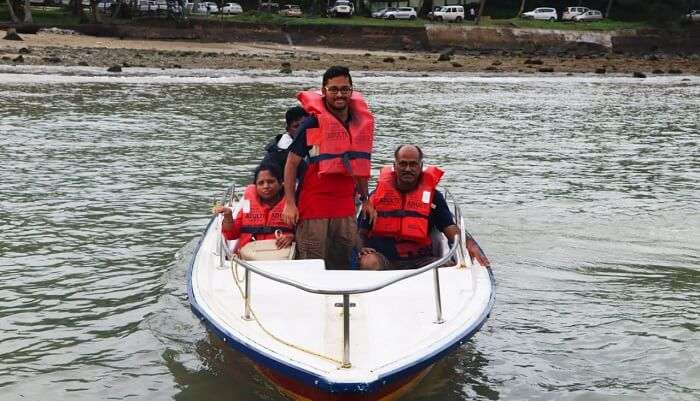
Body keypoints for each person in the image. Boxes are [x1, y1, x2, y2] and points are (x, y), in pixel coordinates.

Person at [282, 66, 376, 269]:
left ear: (352, 90)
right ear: (324, 91)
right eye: (333, 89)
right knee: (312, 265)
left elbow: (359, 166)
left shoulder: (359, 123)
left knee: (343, 264)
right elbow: (291, 164)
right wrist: (290, 203)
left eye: (344, 89)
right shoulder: (312, 124)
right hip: (313, 207)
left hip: (345, 207)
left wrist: (366, 199)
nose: (339, 94)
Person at [358, 144, 490, 270]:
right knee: (369, 262)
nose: (408, 169)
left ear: (420, 166)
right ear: (395, 166)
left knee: (448, 267)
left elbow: (449, 228)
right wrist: (360, 247)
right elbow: (360, 232)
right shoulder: (375, 198)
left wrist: (471, 245)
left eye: (413, 164)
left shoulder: (434, 197)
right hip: (384, 259)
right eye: (403, 163)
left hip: (421, 260)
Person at [214, 164, 294, 253]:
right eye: (261, 183)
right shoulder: (248, 205)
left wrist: (292, 237)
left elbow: (303, 234)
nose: (266, 186)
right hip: (248, 259)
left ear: (280, 184)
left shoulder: (292, 205)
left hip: (282, 259)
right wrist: (228, 215)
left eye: (270, 182)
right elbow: (231, 235)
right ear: (256, 186)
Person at [261, 106, 309, 172]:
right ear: (288, 129)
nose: (301, 130)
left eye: (304, 125)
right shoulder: (279, 152)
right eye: (296, 127)